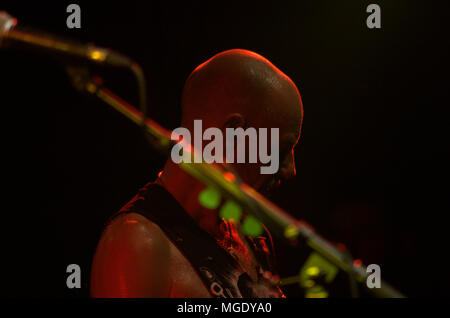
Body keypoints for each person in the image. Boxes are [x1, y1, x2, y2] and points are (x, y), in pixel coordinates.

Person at [90, 49, 303, 297]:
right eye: (281, 149)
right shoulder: (137, 243)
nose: (290, 170)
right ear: (233, 133)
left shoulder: (253, 238)